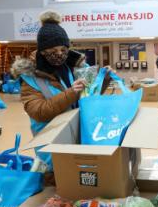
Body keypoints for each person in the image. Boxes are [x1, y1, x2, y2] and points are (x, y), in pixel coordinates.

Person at [12, 10, 110, 173]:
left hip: (78, 137)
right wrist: (71, 93)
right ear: (42, 51)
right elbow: (38, 111)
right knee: (58, 185)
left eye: (63, 49)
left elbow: (90, 97)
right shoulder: (30, 78)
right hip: (51, 145)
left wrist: (104, 80)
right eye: (52, 51)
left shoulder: (76, 68)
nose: (59, 54)